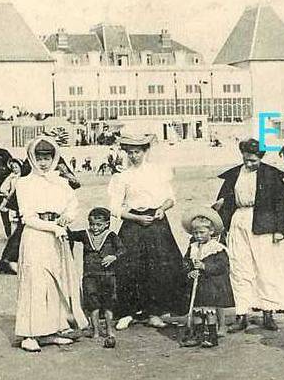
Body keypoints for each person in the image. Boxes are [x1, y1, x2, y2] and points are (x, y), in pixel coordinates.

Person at [13, 137, 88, 352]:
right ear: (32, 159)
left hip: (58, 236)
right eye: (39, 158)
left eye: (47, 157)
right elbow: (27, 217)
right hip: (36, 236)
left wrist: (66, 217)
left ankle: (52, 330)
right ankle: (29, 333)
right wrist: (54, 227)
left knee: (57, 282)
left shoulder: (60, 181)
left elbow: (73, 204)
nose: (44, 162)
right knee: (36, 282)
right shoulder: (24, 183)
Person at [213, 138, 284, 332]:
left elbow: (281, 205)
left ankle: (268, 312)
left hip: (264, 224)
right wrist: (220, 209)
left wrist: (279, 229)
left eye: (253, 161)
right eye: (246, 160)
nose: (249, 164)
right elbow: (224, 201)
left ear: (261, 157)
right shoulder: (234, 175)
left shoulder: (272, 176)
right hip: (239, 221)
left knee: (266, 268)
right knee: (239, 267)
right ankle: (241, 314)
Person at [108, 133, 185, 330]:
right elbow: (115, 208)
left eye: (137, 152)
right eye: (130, 152)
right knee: (128, 266)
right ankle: (127, 313)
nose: (134, 156)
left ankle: (155, 313)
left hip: (157, 223)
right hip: (133, 223)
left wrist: (162, 209)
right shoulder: (122, 176)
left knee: (158, 267)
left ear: (145, 152)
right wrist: (136, 218)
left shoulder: (157, 172)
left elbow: (170, 198)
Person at [67, 207, 123, 348]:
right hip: (90, 275)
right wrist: (63, 220)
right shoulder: (85, 234)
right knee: (93, 303)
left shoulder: (111, 236)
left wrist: (113, 256)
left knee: (109, 303)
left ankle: (109, 329)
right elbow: (70, 235)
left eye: (98, 225)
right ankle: (96, 330)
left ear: (106, 224)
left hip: (108, 275)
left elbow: (122, 249)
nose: (95, 228)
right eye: (92, 224)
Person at [180, 207, 235, 349]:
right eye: (195, 233)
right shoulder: (193, 247)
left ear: (211, 232)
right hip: (197, 287)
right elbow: (186, 262)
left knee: (209, 312)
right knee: (197, 312)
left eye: (201, 232)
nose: (198, 236)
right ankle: (198, 336)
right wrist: (190, 271)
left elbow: (222, 266)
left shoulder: (216, 248)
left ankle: (212, 336)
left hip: (211, 287)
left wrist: (205, 267)